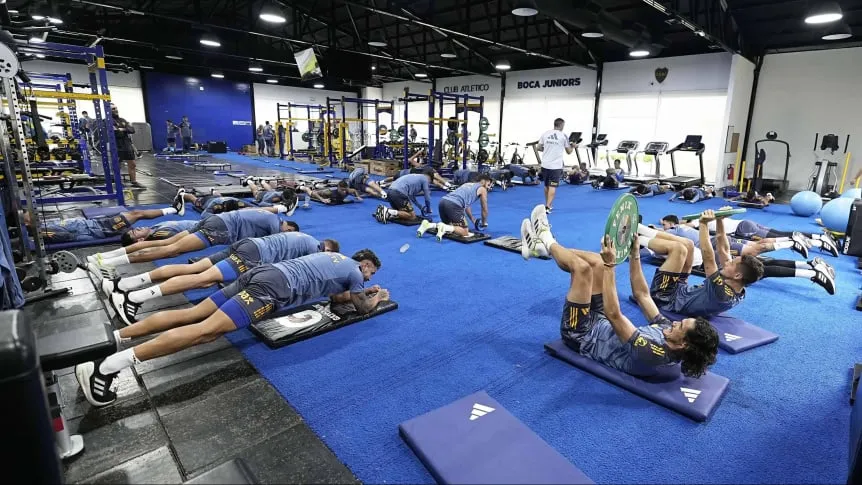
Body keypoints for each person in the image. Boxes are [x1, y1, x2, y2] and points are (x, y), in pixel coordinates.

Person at [75, 250, 389, 407]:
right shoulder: (355, 274)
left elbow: (335, 297)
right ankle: (104, 367)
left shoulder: (334, 258)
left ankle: (115, 339)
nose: (369, 280)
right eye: (370, 274)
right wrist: (378, 298)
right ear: (364, 265)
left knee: (193, 313)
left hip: (264, 272)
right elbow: (359, 307)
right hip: (273, 288)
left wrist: (358, 292)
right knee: (205, 331)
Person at [518, 205, 718, 379]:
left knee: (583, 270)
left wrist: (610, 265)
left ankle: (545, 237)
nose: (675, 322)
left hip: (581, 334)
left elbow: (614, 315)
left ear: (684, 344)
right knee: (596, 261)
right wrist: (635, 255)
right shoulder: (669, 332)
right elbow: (642, 295)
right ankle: (543, 248)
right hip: (601, 321)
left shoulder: (653, 352)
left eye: (680, 325)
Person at [105, 232, 341, 325]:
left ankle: (125, 284)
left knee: (195, 271)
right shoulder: (314, 250)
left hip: (248, 246)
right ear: (327, 249)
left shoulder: (303, 236)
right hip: (253, 255)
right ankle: (135, 297)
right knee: (202, 279)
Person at [641, 222, 836, 294]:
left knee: (760, 261)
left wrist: (637, 243)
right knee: (761, 263)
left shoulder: (679, 237)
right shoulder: (683, 229)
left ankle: (805, 263)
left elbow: (710, 257)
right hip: (722, 238)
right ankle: (811, 266)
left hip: (713, 247)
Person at [87, 209, 299, 273]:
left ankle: (102, 257)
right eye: (288, 232)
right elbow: (268, 249)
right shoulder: (274, 224)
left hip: (216, 220)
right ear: (287, 227)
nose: (286, 234)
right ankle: (107, 263)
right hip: (221, 228)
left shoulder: (268, 214)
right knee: (170, 251)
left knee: (166, 246)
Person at [638, 210, 764, 317]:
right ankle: (640, 228)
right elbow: (723, 248)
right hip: (681, 288)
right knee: (689, 244)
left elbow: (708, 256)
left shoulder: (722, 294)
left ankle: (637, 239)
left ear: (737, 275)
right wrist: (720, 220)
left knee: (679, 249)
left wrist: (703, 223)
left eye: (732, 263)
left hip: (666, 298)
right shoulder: (737, 285)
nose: (728, 262)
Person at [659, 215, 811, 259]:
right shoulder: (693, 222)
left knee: (754, 250)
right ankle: (792, 240)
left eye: (664, 224)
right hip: (730, 234)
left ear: (669, 223)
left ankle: (791, 243)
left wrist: (659, 228)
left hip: (719, 243)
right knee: (760, 244)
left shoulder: (685, 225)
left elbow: (661, 236)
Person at [682, 215, 839, 257]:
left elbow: (683, 225)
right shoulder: (704, 216)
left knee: (772, 239)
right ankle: (819, 238)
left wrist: (665, 225)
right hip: (746, 223)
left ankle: (819, 241)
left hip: (744, 229)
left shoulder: (696, 222)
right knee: (782, 233)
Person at [34, 205, 183, 244]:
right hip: (99, 228)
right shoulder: (44, 231)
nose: (32, 213)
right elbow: (68, 236)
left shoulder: (45, 224)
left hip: (96, 223)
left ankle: (173, 209)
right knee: (137, 214)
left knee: (136, 214)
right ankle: (174, 209)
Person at [417, 174, 491, 241]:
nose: (489, 187)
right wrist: (484, 223)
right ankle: (444, 227)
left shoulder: (467, 184)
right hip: (454, 205)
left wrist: (472, 219)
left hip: (443, 202)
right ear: (483, 181)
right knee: (465, 232)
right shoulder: (482, 189)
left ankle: (428, 225)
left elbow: (466, 205)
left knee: (450, 226)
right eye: (488, 184)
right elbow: (484, 209)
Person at [537, 118, 574, 213]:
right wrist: (573, 146)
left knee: (546, 186)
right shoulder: (563, 136)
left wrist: (548, 149)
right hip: (555, 166)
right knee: (552, 186)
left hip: (545, 164)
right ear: (561, 125)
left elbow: (539, 148)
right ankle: (548, 206)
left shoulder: (545, 134)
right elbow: (569, 151)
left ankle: (548, 204)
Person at [110, 104, 141, 188]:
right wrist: (124, 129)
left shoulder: (122, 119)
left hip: (127, 145)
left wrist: (123, 129)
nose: (115, 110)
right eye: (113, 109)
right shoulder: (108, 121)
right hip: (116, 145)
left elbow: (132, 130)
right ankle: (118, 182)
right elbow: (117, 133)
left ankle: (134, 182)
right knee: (117, 165)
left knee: (132, 164)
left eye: (116, 108)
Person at [298, 180, 363, 205]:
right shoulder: (329, 192)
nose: (344, 192)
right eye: (342, 190)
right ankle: (303, 187)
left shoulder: (347, 190)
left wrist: (358, 196)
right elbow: (315, 193)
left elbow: (354, 190)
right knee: (310, 192)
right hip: (321, 194)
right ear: (338, 188)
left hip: (330, 193)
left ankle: (316, 185)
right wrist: (322, 199)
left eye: (345, 190)